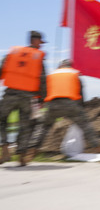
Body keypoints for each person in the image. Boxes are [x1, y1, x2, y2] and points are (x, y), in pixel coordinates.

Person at [26, 59, 100, 162]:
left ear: (60, 66)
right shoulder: (74, 74)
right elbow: (80, 94)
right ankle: (98, 148)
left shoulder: (51, 75)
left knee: (43, 127)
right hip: (71, 104)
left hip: (52, 105)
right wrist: (81, 109)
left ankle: (33, 149)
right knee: (85, 126)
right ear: (71, 66)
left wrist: (43, 103)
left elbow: (43, 91)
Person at [0, 31, 47, 166]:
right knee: (25, 125)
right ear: (35, 41)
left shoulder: (13, 53)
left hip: (10, 94)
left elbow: (1, 69)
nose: (41, 46)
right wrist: (42, 99)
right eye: (40, 42)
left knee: (2, 120)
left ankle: (5, 149)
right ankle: (21, 155)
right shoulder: (37, 57)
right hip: (28, 96)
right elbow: (42, 80)